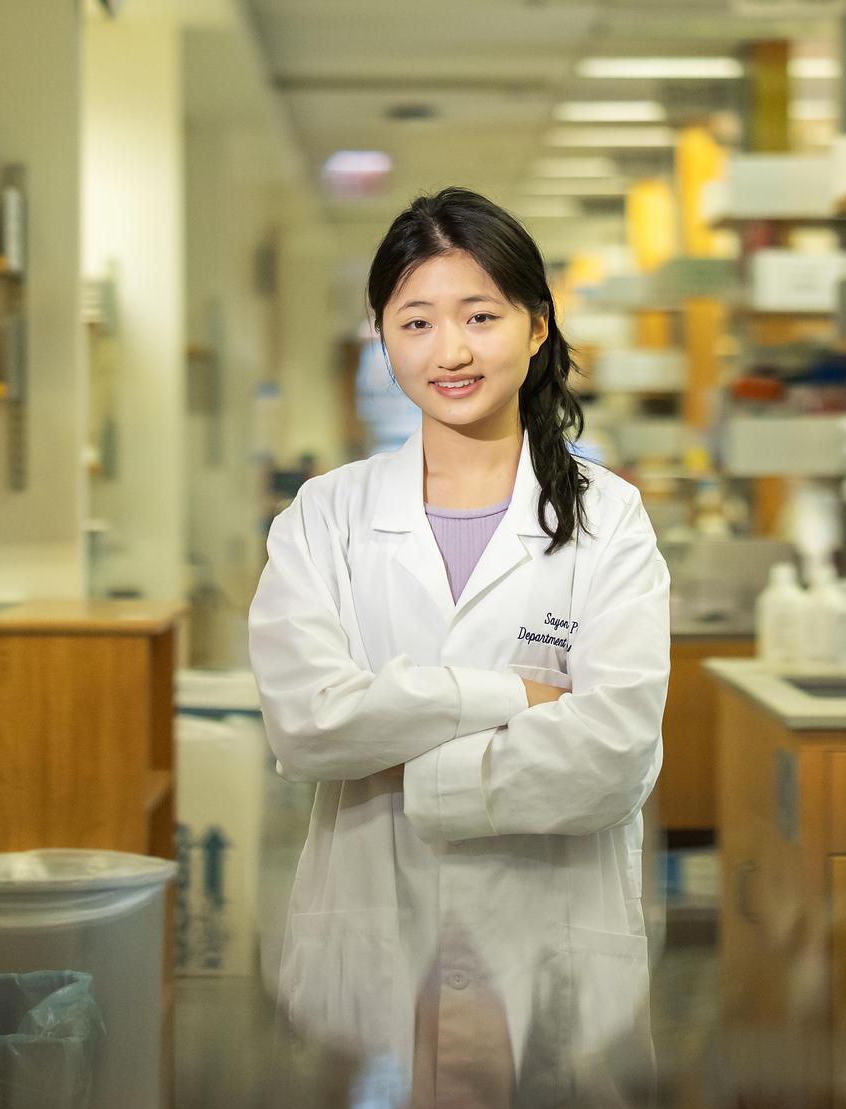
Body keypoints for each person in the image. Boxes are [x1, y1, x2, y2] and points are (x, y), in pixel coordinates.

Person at [248, 187, 671, 1039]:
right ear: (382, 334)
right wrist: (518, 699)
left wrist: (404, 761)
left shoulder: (608, 517)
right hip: (371, 952)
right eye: (416, 323)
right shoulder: (323, 517)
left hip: (548, 955)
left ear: (537, 325)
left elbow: (617, 752)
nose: (451, 351)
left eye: (480, 317)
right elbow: (307, 726)